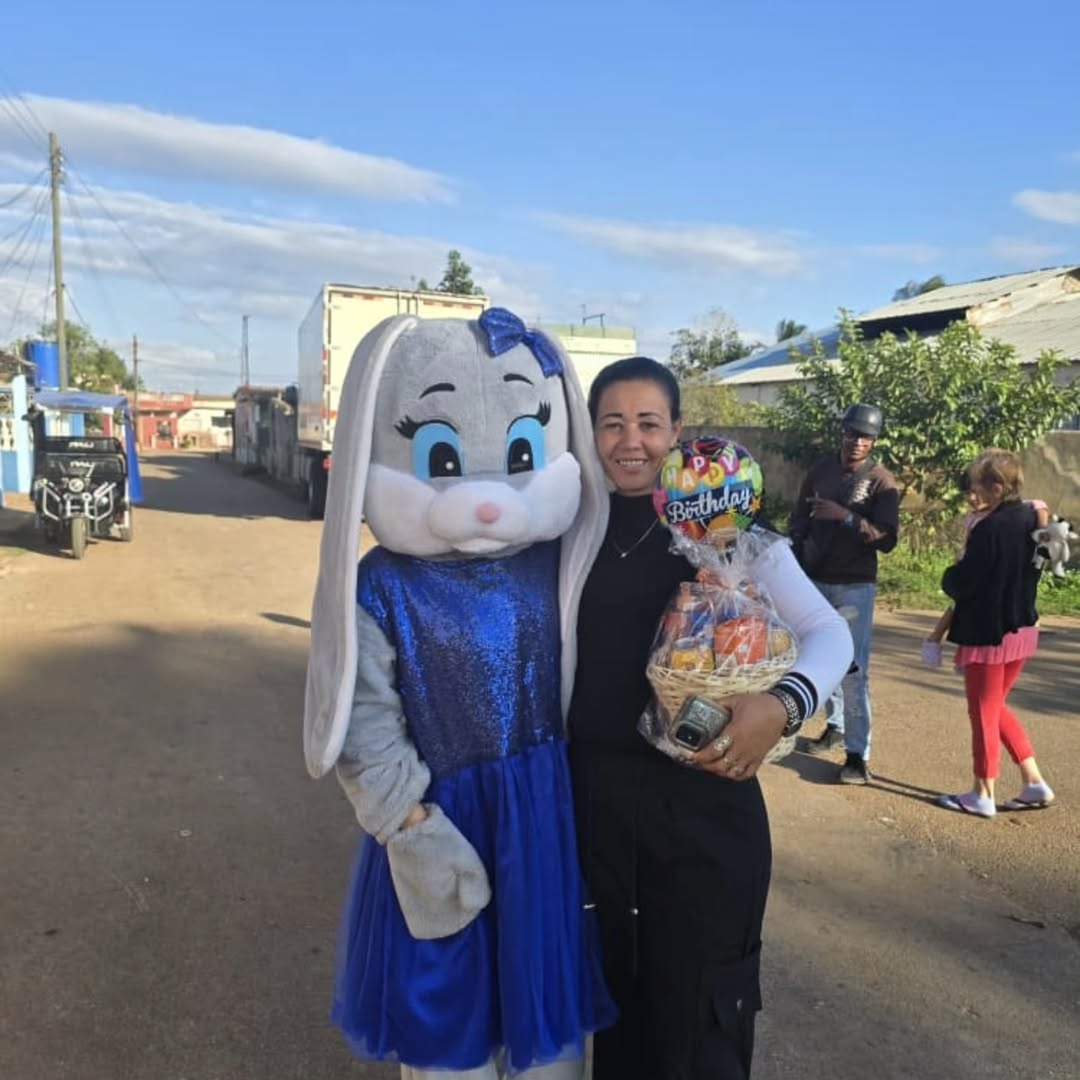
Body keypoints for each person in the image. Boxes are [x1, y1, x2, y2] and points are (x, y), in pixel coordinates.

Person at [303, 310, 614, 1080]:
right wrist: (409, 823)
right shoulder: (382, 585)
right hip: (442, 821)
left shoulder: (555, 561)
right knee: (451, 1026)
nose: (485, 497)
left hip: (541, 821)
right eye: (442, 456)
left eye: (517, 453)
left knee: (546, 1033)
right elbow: (364, 720)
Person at [566, 356, 852, 1080]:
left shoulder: (729, 531)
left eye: (649, 423)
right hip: (595, 815)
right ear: (591, 433)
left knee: (700, 1022)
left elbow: (829, 634)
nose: (631, 441)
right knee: (618, 1018)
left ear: (678, 432)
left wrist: (782, 706)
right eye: (612, 424)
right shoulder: (574, 528)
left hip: (705, 813)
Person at [935, 449, 1055, 818]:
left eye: (976, 488)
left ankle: (982, 791)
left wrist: (949, 574)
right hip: (1022, 629)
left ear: (998, 488)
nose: (970, 495)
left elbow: (963, 583)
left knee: (983, 713)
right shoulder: (1031, 516)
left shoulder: (989, 529)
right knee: (995, 707)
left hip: (989, 634)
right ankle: (1033, 781)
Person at [788, 403, 900, 784]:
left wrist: (846, 517)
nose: (857, 442)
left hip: (854, 585)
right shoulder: (821, 470)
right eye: (852, 434)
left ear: (874, 442)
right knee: (817, 657)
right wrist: (796, 551)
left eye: (866, 437)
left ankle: (857, 756)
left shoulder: (882, 482)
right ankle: (834, 726)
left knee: (853, 669)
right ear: (842, 433)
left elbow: (888, 539)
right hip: (815, 579)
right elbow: (798, 519)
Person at [921, 472, 1048, 667]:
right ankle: (936, 641)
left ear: (995, 490)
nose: (971, 498)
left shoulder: (1001, 518)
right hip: (975, 568)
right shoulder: (976, 518)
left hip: (991, 586)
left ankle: (935, 640)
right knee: (958, 604)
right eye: (967, 493)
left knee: (959, 603)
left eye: (975, 492)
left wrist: (1043, 530)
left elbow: (1039, 505)